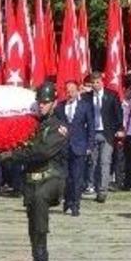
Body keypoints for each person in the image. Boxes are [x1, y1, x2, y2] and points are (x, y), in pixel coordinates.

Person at [7, 83, 67, 261]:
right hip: (31, 184)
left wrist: (15, 155)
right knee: (34, 232)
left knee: (40, 227)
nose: (42, 106)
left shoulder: (59, 126)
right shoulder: (29, 125)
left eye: (46, 102)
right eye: (39, 102)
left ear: (54, 103)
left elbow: (42, 151)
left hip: (51, 180)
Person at [54, 80, 95, 216]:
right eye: (68, 91)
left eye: (72, 91)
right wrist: (58, 130)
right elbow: (55, 124)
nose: (70, 93)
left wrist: (90, 145)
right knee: (66, 177)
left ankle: (75, 204)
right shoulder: (59, 107)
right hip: (64, 146)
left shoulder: (85, 106)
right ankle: (67, 201)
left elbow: (91, 127)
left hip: (79, 146)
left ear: (78, 91)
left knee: (77, 177)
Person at [83, 71, 124, 203]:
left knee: (105, 161)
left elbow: (118, 114)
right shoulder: (86, 97)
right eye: (93, 83)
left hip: (107, 133)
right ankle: (93, 186)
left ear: (102, 82)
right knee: (93, 162)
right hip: (92, 133)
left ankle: (103, 191)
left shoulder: (112, 95)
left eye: (98, 82)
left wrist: (120, 129)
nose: (96, 85)